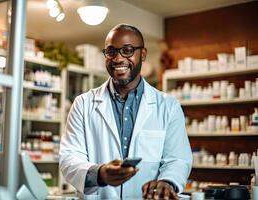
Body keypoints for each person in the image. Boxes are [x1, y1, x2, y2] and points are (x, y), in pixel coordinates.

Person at [59, 23, 192, 199]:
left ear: (142, 54)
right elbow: (69, 158)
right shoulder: (83, 104)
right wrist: (100, 173)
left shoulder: (168, 106)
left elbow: (178, 159)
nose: (118, 58)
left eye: (128, 50)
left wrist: (167, 182)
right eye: (111, 51)